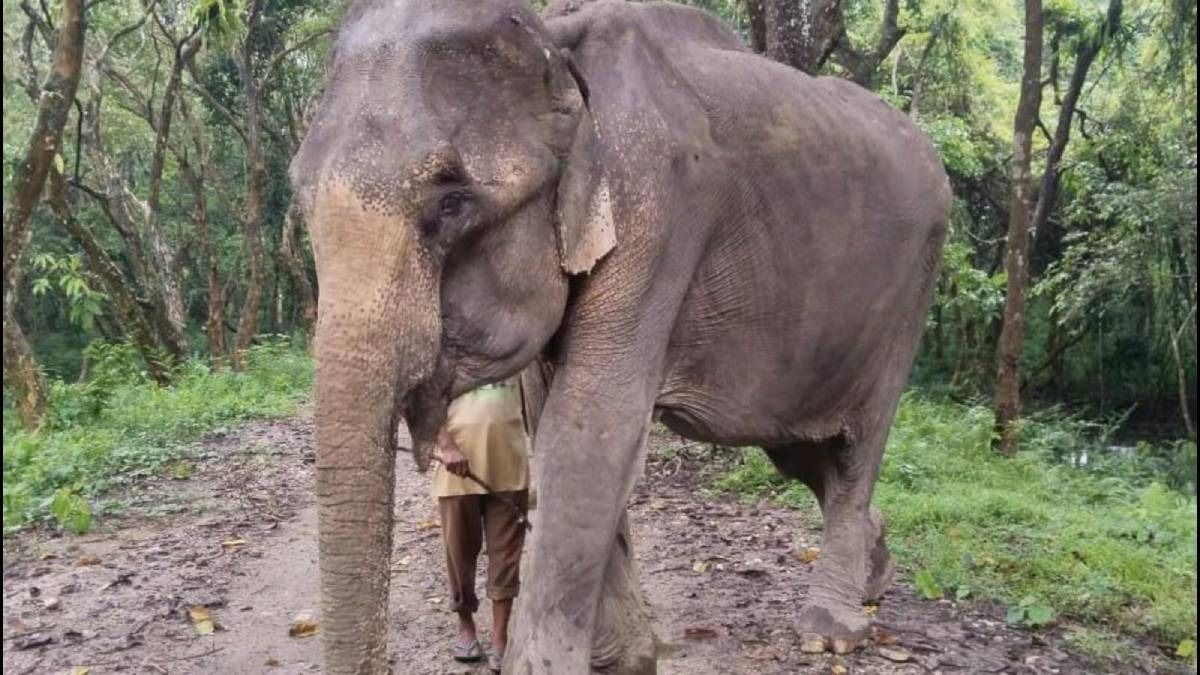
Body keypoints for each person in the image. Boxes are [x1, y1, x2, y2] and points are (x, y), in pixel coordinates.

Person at [432, 376, 531, 672]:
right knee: (459, 555)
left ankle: (500, 637)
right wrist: (446, 446)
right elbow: (424, 403)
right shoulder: (450, 354)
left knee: (506, 557)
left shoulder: (520, 352)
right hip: (456, 475)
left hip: (510, 472)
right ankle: (466, 627)